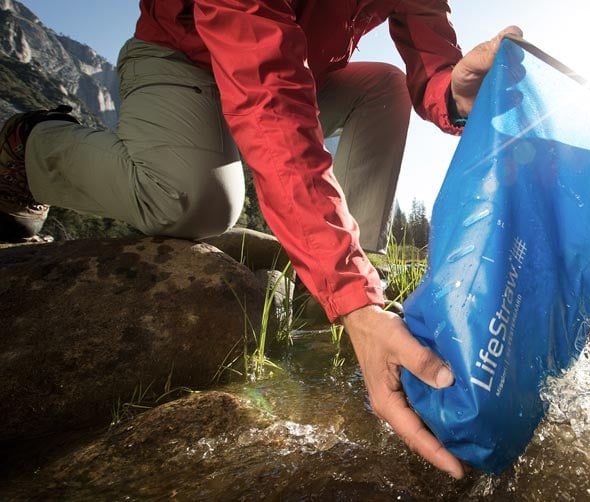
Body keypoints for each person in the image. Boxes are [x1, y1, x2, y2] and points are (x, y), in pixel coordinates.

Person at [0, 0, 530, 480]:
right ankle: (29, 147)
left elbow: (430, 60)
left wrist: (453, 92)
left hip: (300, 73)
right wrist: (350, 293)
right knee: (194, 201)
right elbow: (271, 108)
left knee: (383, 88)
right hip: (184, 60)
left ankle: (341, 317)